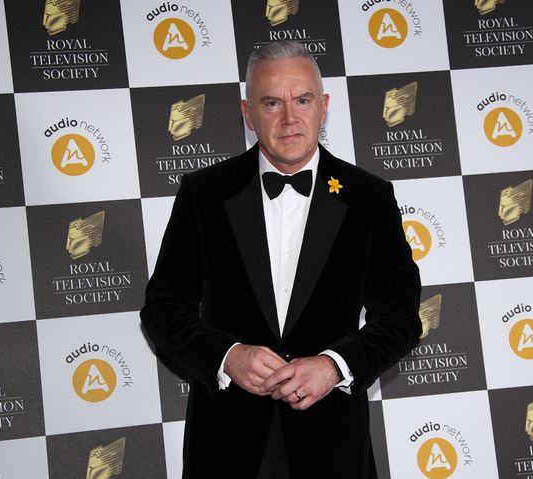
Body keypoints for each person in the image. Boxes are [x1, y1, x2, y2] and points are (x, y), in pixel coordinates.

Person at [140, 40, 422, 478]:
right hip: (226, 447)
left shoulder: (369, 197)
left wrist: (335, 366)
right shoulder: (204, 194)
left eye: (303, 100)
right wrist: (227, 356)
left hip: (332, 447)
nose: (290, 119)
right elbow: (161, 308)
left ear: (323, 106)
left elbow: (402, 316)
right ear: (248, 113)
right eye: (271, 102)